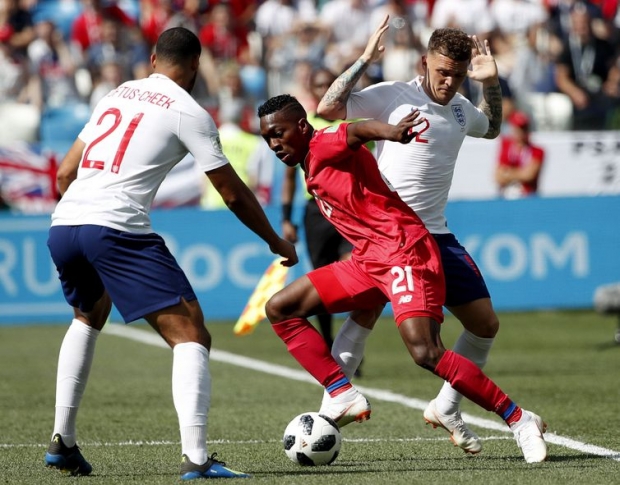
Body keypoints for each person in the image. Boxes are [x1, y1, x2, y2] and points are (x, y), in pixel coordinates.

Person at [44, 27, 297, 480]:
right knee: (192, 335)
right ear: (196, 65)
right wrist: (275, 241)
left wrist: (80, 214)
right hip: (115, 226)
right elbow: (232, 193)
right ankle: (197, 459)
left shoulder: (117, 93)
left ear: (154, 58)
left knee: (87, 316)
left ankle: (62, 441)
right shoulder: (190, 111)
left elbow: (66, 172)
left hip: (65, 222)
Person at [258, 94, 547, 464]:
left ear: (301, 126)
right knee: (281, 308)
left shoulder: (323, 142)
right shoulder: (309, 161)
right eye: (267, 138)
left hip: (402, 251)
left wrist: (391, 132)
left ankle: (519, 420)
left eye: (278, 134)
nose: (274, 144)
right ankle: (340, 390)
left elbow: (357, 131)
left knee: (425, 351)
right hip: (367, 259)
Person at [315, 16, 534, 459]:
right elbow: (327, 109)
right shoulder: (393, 95)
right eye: (441, 72)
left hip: (436, 233)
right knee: (365, 314)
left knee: (485, 324)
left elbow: (490, 128)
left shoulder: (458, 107)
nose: (448, 81)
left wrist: (491, 85)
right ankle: (326, 413)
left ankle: (448, 407)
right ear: (424, 63)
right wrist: (363, 59)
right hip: (387, 234)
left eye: (457, 73)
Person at [281, 66, 353, 350]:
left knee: (352, 268)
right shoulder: (303, 125)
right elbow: (289, 175)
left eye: (329, 85)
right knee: (324, 279)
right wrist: (287, 218)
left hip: (350, 208)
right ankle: (330, 340)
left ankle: (351, 343)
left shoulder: (354, 121)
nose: (324, 91)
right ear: (312, 91)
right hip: (317, 210)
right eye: (319, 86)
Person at [495, 111, 545, 198]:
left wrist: (508, 173)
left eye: (523, 129)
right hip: (505, 196)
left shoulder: (537, 151)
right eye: (518, 128)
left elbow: (529, 175)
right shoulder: (506, 146)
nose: (520, 132)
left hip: (528, 196)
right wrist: (521, 173)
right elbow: (498, 176)